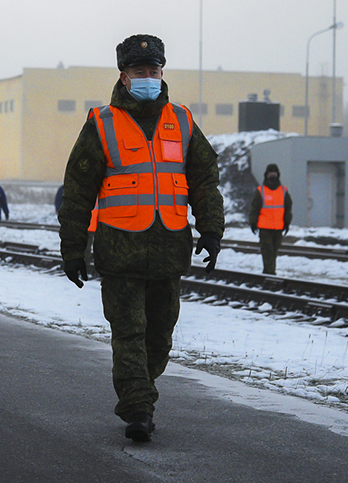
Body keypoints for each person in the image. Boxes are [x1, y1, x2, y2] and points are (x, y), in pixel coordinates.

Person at [58, 33, 224, 442]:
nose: (148, 77)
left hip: (169, 250)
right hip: (119, 253)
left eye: (154, 71)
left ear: (162, 73)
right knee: (128, 332)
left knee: (159, 336)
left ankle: (141, 390)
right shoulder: (102, 124)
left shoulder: (182, 121)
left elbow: (204, 180)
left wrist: (212, 228)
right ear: (124, 76)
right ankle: (138, 409)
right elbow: (77, 190)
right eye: (139, 71)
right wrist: (73, 249)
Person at [249, 163, 293, 275]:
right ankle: (270, 273)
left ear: (278, 175)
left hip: (278, 228)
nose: (272, 176)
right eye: (270, 174)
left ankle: (268, 272)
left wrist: (287, 222)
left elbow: (288, 208)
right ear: (266, 175)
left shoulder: (283, 190)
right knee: (267, 251)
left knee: (274, 252)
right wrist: (253, 222)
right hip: (264, 228)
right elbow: (254, 208)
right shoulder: (261, 191)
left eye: (274, 173)